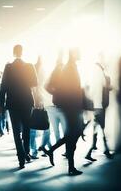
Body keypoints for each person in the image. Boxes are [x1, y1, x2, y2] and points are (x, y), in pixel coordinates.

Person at [43, 48, 84, 176]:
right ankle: (70, 167)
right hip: (71, 106)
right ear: (73, 53)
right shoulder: (68, 68)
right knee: (73, 134)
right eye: (79, 51)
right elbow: (69, 88)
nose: (81, 53)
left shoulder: (71, 67)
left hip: (72, 106)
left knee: (72, 134)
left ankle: (52, 150)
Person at [0, 44, 38, 169]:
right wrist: (36, 100)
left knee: (16, 131)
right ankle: (26, 152)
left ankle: (21, 158)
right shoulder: (30, 66)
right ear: (22, 52)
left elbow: (3, 86)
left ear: (14, 53)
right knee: (27, 128)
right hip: (27, 102)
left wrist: (0, 104)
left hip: (13, 103)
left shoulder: (8, 67)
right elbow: (34, 84)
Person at [85, 55, 113, 161]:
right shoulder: (98, 71)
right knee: (100, 127)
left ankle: (92, 150)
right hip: (99, 105)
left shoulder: (99, 71)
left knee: (98, 127)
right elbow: (101, 87)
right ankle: (103, 150)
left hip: (99, 104)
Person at [42, 54, 67, 156]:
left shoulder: (55, 74)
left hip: (54, 106)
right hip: (56, 107)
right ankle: (62, 150)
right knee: (62, 130)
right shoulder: (57, 74)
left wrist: (54, 92)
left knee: (61, 131)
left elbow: (46, 86)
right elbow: (46, 86)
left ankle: (59, 149)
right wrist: (56, 92)